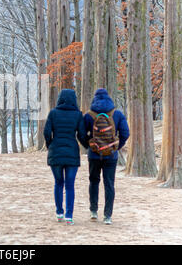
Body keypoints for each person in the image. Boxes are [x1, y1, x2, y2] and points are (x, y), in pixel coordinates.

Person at [83, 88, 129, 225]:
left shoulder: (89, 115)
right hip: (111, 156)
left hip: (94, 155)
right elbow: (125, 133)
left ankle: (93, 211)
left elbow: (81, 133)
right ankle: (107, 216)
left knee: (94, 181)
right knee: (109, 184)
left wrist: (89, 146)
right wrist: (116, 147)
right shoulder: (117, 114)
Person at [44, 89, 87, 225]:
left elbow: (46, 132)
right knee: (70, 185)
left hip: (55, 152)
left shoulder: (53, 113)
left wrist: (50, 144)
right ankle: (69, 215)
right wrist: (87, 145)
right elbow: (81, 135)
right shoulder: (78, 115)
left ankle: (59, 212)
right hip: (72, 154)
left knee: (58, 183)